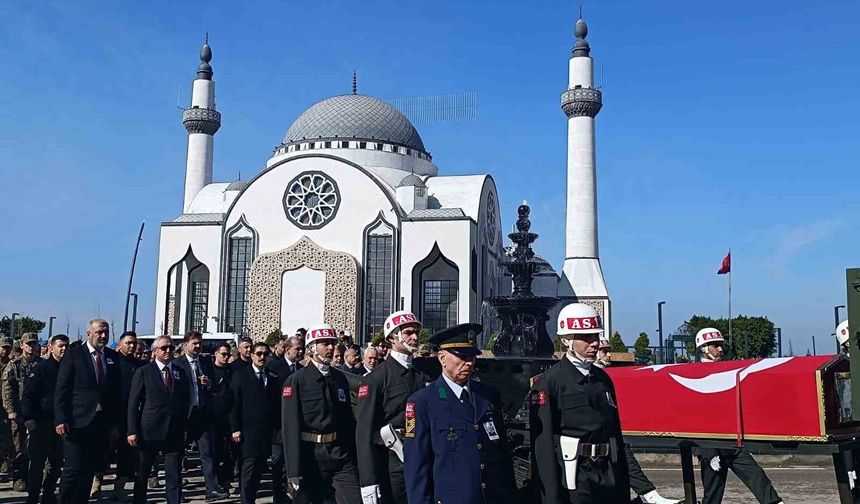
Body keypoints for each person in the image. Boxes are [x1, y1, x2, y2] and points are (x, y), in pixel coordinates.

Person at [403, 323, 514, 504]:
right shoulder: (422, 402)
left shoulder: (487, 396)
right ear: (442, 358)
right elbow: (417, 466)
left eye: (472, 356)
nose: (469, 363)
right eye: (462, 357)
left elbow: (501, 455)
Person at [530, 303, 629, 504]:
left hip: (607, 471)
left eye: (595, 336)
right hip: (573, 477)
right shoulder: (549, 383)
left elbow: (615, 434)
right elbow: (543, 447)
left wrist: (623, 485)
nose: (594, 343)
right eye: (585, 337)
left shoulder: (603, 379)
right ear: (567, 340)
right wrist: (550, 497)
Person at [694, 328, 784, 504]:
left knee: (758, 478)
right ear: (704, 348)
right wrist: (706, 451)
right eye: (715, 346)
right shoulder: (694, 373)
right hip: (709, 444)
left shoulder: (729, 370)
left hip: (733, 442)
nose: (720, 350)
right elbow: (695, 415)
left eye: (721, 346)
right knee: (712, 494)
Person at [593, 338, 680, 504]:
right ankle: (649, 495)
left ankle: (648, 494)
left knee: (624, 460)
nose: (609, 355)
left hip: (611, 431)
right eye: (604, 351)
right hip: (593, 436)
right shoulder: (594, 376)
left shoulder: (606, 375)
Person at [356, 311, 430, 504]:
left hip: (424, 454)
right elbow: (364, 432)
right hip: (393, 461)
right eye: (408, 333)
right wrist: (368, 480)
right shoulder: (376, 378)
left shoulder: (422, 373)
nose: (414, 337)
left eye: (416, 333)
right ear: (392, 337)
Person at [282, 323, 361, 504]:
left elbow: (347, 419)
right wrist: (293, 470)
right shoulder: (296, 381)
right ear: (311, 348)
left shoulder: (339, 378)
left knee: (353, 498)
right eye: (324, 343)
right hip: (310, 455)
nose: (331, 347)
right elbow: (290, 426)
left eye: (332, 343)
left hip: (339, 452)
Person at [55, 318, 122, 504]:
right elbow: (62, 389)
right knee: (73, 469)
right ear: (89, 333)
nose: (103, 336)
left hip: (100, 423)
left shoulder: (111, 356)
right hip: (76, 422)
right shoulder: (74, 355)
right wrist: (61, 418)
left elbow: (115, 393)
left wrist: (114, 424)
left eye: (106, 332)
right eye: (99, 332)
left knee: (89, 469)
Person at [127, 335, 191, 504]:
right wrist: (132, 430)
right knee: (143, 472)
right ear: (155, 351)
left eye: (171, 348)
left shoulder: (179, 372)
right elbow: (134, 403)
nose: (168, 351)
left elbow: (185, 401)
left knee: (174, 474)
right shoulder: (144, 372)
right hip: (149, 430)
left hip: (174, 430)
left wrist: (184, 428)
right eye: (164, 348)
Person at [173, 331, 228, 501]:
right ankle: (177, 493)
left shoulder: (205, 362)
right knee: (178, 455)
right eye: (194, 343)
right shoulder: (177, 364)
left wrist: (209, 383)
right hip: (184, 416)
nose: (198, 347)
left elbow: (215, 387)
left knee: (207, 453)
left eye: (200, 343)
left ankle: (211, 489)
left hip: (203, 414)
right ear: (185, 345)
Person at [230, 342, 281, 504]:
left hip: (265, 433)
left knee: (259, 469)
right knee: (248, 470)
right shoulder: (241, 375)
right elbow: (234, 404)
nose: (262, 357)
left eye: (265, 354)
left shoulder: (271, 377)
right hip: (247, 432)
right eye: (258, 353)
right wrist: (235, 429)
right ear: (251, 355)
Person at [22, 333, 68, 504]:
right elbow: (28, 395)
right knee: (37, 465)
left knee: (56, 465)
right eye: (60, 345)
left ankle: (48, 495)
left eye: (66, 346)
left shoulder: (68, 367)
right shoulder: (41, 368)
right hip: (41, 422)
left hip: (61, 423)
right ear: (51, 347)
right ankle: (33, 497)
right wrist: (28, 417)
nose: (63, 349)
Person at [266, 336, 304, 504]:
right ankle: (279, 497)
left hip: (298, 426)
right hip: (278, 426)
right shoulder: (274, 368)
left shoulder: (302, 369)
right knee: (278, 463)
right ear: (287, 349)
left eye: (301, 348)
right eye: (297, 349)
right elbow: (271, 398)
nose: (300, 351)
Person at [3, 332, 41, 491]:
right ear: (22, 345)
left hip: (37, 413)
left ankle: (34, 477)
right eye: (28, 343)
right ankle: (19, 478)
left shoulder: (42, 364)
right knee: (18, 447)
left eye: (34, 343)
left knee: (36, 447)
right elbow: (7, 388)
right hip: (19, 413)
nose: (31, 346)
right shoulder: (15, 365)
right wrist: (11, 410)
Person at [112, 330, 145, 501]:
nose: (131, 346)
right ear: (120, 344)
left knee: (127, 454)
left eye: (134, 343)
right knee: (103, 452)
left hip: (130, 416)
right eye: (128, 343)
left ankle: (119, 487)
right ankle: (97, 482)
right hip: (110, 415)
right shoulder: (112, 362)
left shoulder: (140, 366)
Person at [210, 342, 236, 493]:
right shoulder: (209, 370)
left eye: (228, 354)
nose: (226, 357)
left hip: (228, 416)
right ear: (216, 354)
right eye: (223, 354)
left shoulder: (231, 371)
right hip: (213, 417)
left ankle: (225, 479)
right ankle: (215, 482)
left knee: (228, 452)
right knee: (214, 451)